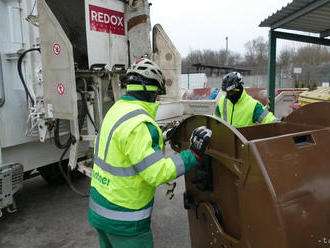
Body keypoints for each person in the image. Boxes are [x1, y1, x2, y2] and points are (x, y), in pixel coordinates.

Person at [88, 58, 212, 248]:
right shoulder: (140, 124)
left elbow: (126, 149)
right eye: (158, 96)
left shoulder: (116, 110)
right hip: (125, 219)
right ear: (151, 93)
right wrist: (192, 155)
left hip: (100, 210)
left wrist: (160, 136)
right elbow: (157, 173)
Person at [214, 72, 279, 127]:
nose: (229, 95)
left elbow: (268, 118)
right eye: (227, 92)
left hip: (243, 141)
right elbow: (214, 120)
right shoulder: (222, 102)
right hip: (226, 140)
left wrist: (279, 124)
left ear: (239, 88)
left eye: (232, 92)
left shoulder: (253, 105)